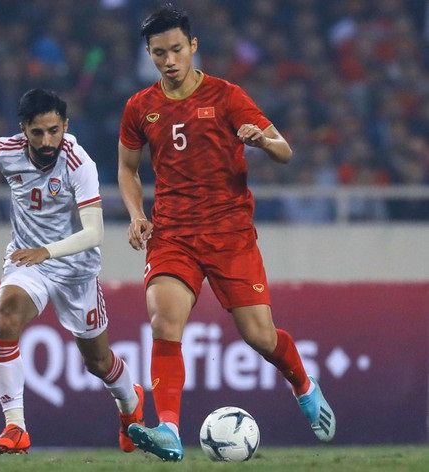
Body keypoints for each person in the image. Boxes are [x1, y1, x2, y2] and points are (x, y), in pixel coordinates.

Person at [117, 4, 335, 462]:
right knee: (164, 321)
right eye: (159, 53)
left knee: (259, 336)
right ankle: (169, 429)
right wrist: (136, 214)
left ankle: (302, 383)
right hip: (173, 233)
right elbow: (127, 169)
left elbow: (285, 151)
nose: (169, 61)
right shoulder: (140, 107)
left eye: (177, 49)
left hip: (230, 233)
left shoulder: (226, 95)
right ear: (149, 54)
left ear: (193, 46)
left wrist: (262, 141)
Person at [0, 88, 144, 454]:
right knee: (5, 319)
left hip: (75, 271)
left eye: (54, 130)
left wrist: (46, 251)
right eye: (37, 132)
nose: (47, 141)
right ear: (24, 129)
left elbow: (94, 233)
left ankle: (130, 405)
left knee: (98, 361)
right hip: (27, 261)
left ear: (65, 125)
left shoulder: (79, 162)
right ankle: (15, 427)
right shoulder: (8, 150)